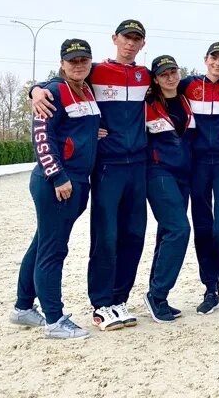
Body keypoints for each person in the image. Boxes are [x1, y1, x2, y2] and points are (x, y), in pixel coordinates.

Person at [31, 19, 150, 331]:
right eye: (126, 38)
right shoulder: (94, 69)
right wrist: (35, 90)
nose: (130, 44)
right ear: (115, 38)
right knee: (106, 236)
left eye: (136, 39)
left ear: (142, 44)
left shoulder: (145, 76)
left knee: (135, 234)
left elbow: (175, 87)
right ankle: (101, 304)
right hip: (107, 166)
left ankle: (119, 299)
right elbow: (57, 82)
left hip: (138, 165)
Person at [10, 38, 102, 339]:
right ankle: (54, 319)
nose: (79, 65)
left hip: (78, 179)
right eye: (72, 60)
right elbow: (42, 136)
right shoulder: (51, 92)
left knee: (42, 243)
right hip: (58, 182)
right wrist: (57, 176)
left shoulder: (86, 89)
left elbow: (77, 127)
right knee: (53, 249)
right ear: (62, 63)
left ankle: (23, 307)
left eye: (83, 60)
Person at [179, 41, 219, 314]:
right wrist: (36, 90)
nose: (217, 64)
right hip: (198, 165)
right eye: (213, 59)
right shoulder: (189, 84)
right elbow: (157, 89)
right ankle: (210, 287)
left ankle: (217, 272)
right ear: (205, 59)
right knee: (203, 228)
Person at [142, 54, 195, 323]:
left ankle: (155, 292)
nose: (170, 77)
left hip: (183, 176)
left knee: (166, 233)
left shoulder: (186, 99)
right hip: (158, 173)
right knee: (179, 229)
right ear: (156, 79)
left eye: (173, 72)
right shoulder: (147, 104)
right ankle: (158, 294)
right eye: (163, 74)